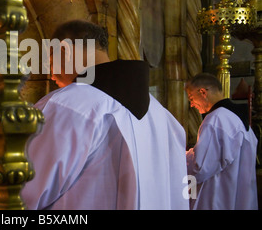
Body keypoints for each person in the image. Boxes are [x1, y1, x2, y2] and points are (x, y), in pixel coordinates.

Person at [21, 19, 189, 210]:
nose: (51, 75)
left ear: (65, 50)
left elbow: (21, 193)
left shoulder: (64, 105)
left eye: (51, 63)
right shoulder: (165, 118)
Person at [185, 73, 258, 210]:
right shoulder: (237, 119)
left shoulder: (216, 119)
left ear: (202, 92)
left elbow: (200, 167)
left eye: (191, 98)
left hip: (217, 199)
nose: (192, 104)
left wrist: (180, 158)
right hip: (238, 197)